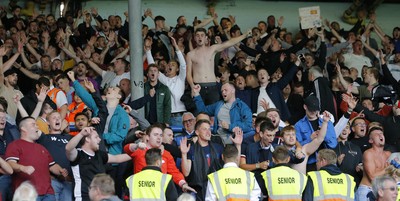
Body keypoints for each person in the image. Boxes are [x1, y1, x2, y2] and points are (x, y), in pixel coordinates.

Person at [5, 117, 68, 201]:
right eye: (33, 124)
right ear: (23, 128)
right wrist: (23, 168)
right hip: (27, 194)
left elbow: (52, 166)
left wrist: (61, 171)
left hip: (48, 193)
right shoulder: (15, 145)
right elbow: (10, 164)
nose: (37, 127)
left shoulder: (42, 147)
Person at [186, 27, 251, 105]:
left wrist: (244, 35)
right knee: (199, 114)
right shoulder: (190, 54)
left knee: (214, 115)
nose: (200, 37)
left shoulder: (212, 49)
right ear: (194, 38)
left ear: (206, 37)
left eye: (202, 35)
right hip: (198, 86)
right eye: (197, 35)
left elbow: (229, 43)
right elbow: (188, 74)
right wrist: (192, 86)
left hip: (213, 86)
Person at [180, 119, 242, 200]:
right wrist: (184, 154)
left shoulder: (218, 148)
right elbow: (186, 173)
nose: (208, 132)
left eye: (209, 129)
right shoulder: (191, 150)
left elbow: (234, 165)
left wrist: (238, 145)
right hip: (198, 191)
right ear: (197, 132)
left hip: (218, 190)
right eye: (204, 129)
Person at [124, 124, 196, 193]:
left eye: (161, 135)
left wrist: (183, 184)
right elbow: (127, 148)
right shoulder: (139, 151)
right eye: (155, 135)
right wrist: (137, 146)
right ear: (148, 137)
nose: (159, 137)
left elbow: (174, 172)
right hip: (142, 192)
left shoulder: (166, 154)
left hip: (158, 193)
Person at [65, 127, 131, 201]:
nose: (99, 140)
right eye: (96, 137)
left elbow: (117, 158)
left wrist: (138, 152)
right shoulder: (78, 155)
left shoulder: (99, 155)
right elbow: (68, 148)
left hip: (99, 198)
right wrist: (81, 134)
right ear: (87, 139)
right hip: (83, 198)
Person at [295, 95, 337, 172]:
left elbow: (333, 144)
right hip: (310, 163)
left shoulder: (326, 122)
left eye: (315, 110)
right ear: (305, 107)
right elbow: (297, 146)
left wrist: (323, 133)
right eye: (311, 109)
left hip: (327, 161)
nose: (313, 112)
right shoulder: (298, 125)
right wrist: (309, 139)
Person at [356, 127, 391, 201]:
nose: (380, 135)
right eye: (377, 134)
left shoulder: (388, 154)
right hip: (367, 190)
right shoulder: (368, 153)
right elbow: (372, 177)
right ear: (371, 140)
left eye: (381, 134)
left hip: (381, 192)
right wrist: (388, 168)